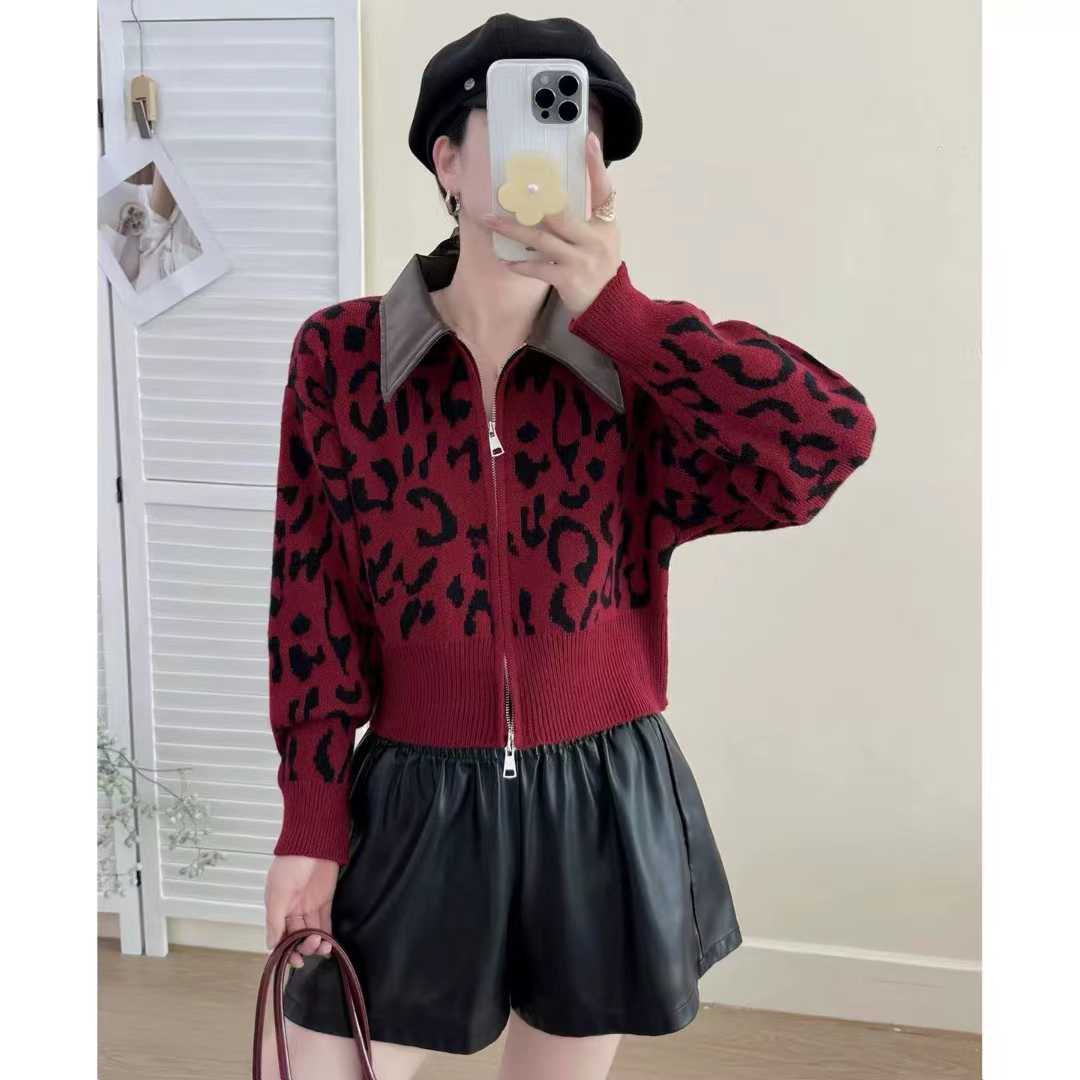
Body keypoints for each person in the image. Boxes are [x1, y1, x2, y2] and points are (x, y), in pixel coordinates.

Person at [260, 14, 876, 1080]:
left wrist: (622, 316)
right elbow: (308, 604)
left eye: (580, 134)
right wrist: (310, 822)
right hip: (414, 802)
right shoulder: (341, 358)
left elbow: (830, 439)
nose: (556, 153)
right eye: (523, 120)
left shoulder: (638, 371)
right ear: (448, 161)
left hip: (598, 802)